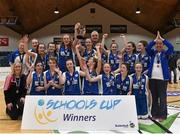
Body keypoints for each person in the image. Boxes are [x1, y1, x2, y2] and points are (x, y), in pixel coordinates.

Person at [146, 31, 174, 122]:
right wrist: (154, 40)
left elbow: (171, 47)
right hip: (153, 79)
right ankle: (155, 114)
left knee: (162, 98)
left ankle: (163, 115)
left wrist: (163, 39)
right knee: (154, 97)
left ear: (163, 45)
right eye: (157, 44)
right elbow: (147, 47)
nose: (158, 45)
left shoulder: (166, 54)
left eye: (160, 44)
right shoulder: (152, 53)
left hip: (162, 79)